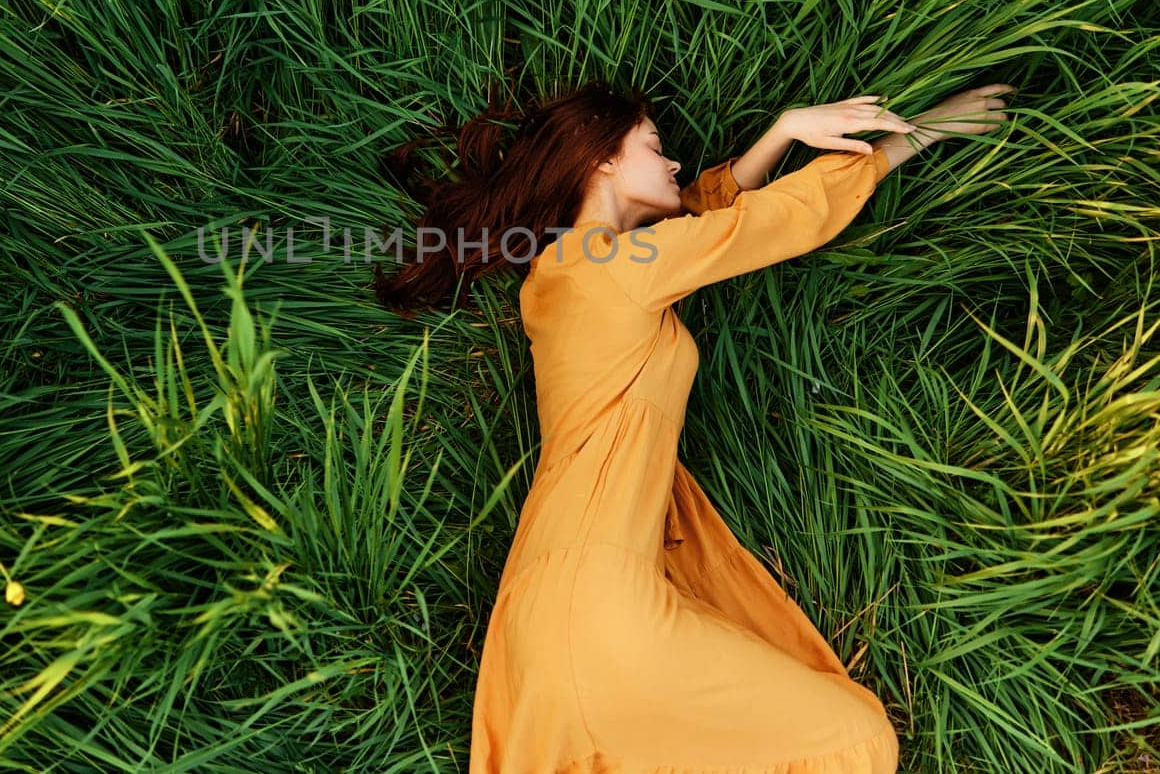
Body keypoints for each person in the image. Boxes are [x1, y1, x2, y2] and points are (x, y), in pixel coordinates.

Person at [374, 78, 1015, 772]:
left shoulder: (566, 272)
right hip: (600, 602)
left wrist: (777, 136)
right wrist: (917, 134)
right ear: (603, 160)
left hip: (550, 608)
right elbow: (764, 223)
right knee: (854, 739)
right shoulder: (613, 267)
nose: (674, 161)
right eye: (655, 144)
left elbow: (695, 225)